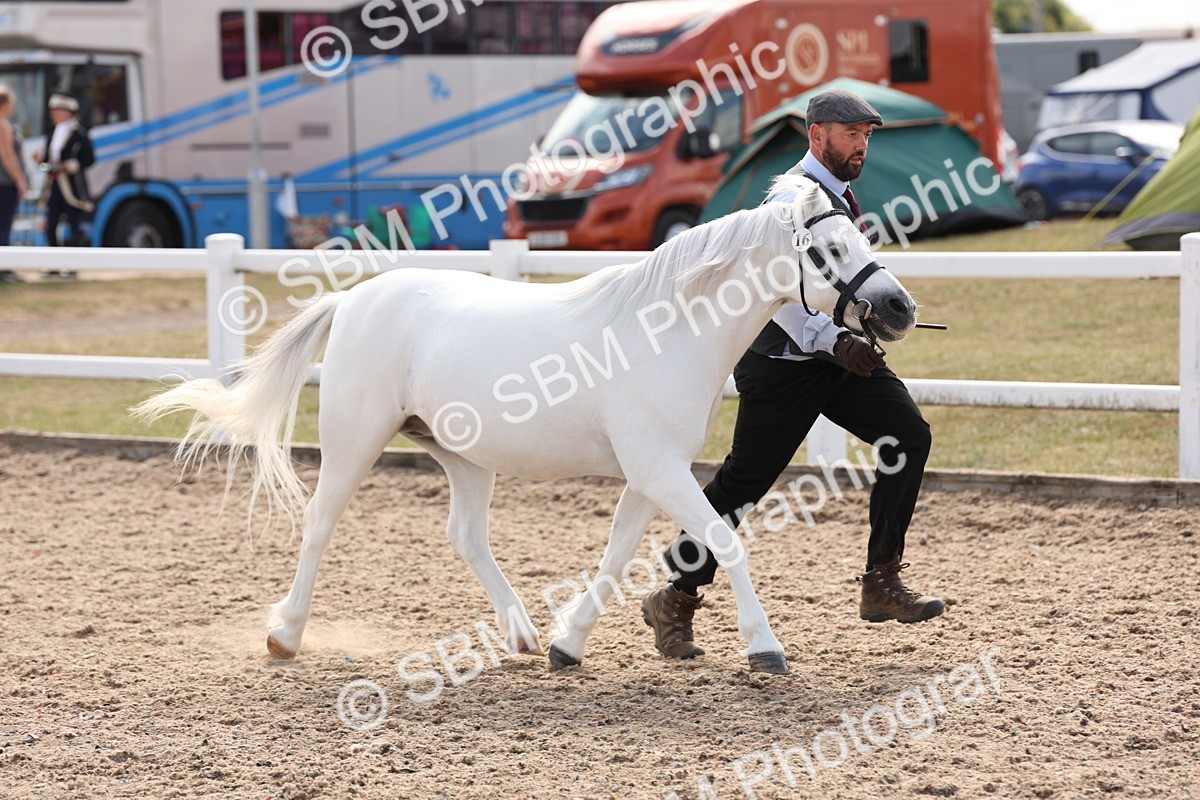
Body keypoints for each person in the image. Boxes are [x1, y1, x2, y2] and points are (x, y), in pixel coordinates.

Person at [641, 89, 944, 662]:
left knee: (907, 434)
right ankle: (675, 598)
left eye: (867, 136)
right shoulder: (791, 199)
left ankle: (881, 581)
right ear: (816, 135)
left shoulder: (841, 199)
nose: (861, 146)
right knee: (742, 486)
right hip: (783, 366)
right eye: (850, 134)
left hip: (839, 358)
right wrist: (836, 339)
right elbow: (776, 288)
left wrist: (866, 320)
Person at [35, 93, 93, 275]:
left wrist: (69, 166)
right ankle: (53, 264)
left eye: (58, 111)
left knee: (74, 225)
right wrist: (40, 160)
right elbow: (49, 158)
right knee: (51, 224)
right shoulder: (53, 133)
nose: (54, 114)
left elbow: (88, 159)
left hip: (71, 186)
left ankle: (73, 266)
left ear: (68, 112)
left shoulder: (79, 133)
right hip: (54, 186)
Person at [0, 85, 27, 283]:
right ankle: (4, 268)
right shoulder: (3, 125)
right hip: (5, 183)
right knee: (4, 225)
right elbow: (7, 155)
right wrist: (19, 180)